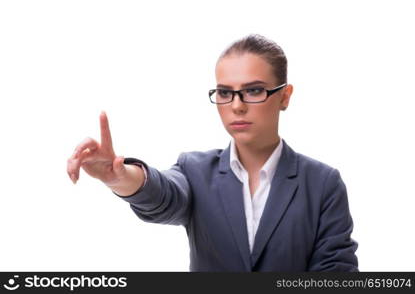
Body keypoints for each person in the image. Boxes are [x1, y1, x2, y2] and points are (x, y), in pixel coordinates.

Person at [66, 34, 358, 272]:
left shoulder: (323, 184)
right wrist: (118, 177)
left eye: (253, 91)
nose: (237, 105)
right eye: (225, 92)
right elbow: (164, 195)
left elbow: (335, 275)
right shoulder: (194, 171)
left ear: (284, 96)